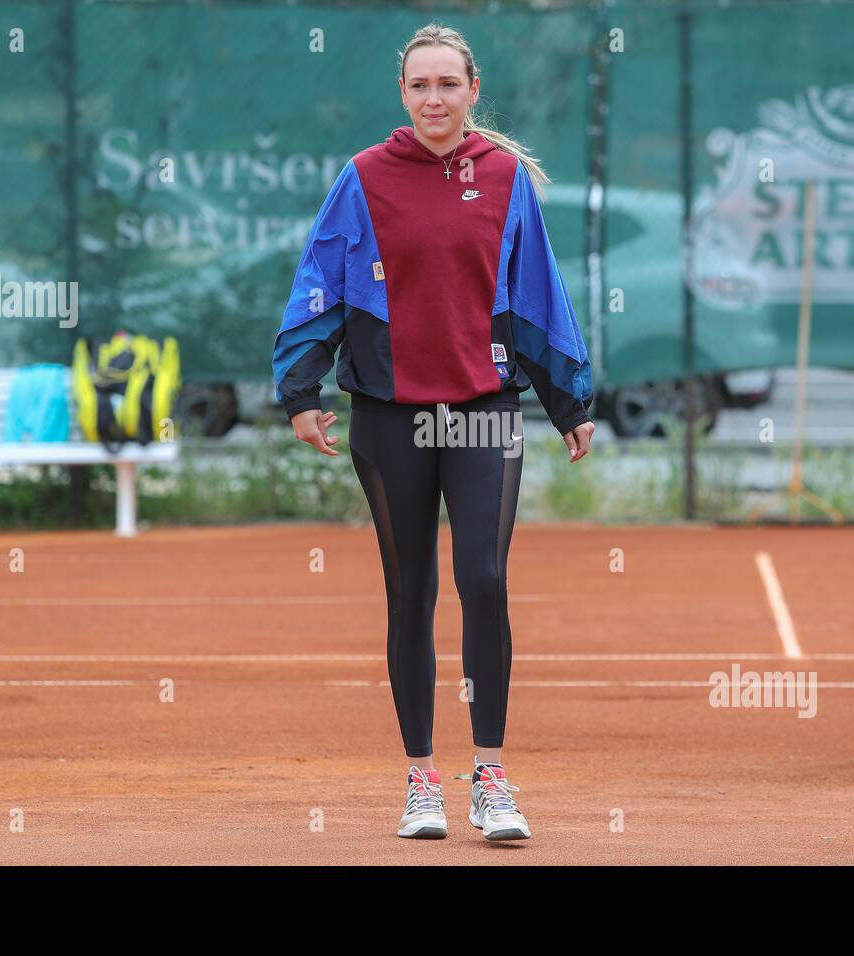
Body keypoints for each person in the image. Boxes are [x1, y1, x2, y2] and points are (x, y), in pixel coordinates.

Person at [271, 23, 595, 842]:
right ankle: (421, 780)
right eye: (420, 86)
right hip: (388, 415)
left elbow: (537, 296)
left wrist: (569, 399)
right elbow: (323, 282)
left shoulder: (507, 177)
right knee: (409, 591)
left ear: (473, 89)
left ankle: (490, 774)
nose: (434, 99)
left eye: (448, 84)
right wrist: (300, 385)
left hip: (485, 409)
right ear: (403, 93)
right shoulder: (363, 179)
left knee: (483, 579)